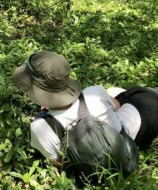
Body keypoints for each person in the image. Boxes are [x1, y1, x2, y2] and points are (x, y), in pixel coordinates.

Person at [12, 51, 155, 164]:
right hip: (134, 140)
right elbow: (117, 106)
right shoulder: (94, 93)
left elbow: (58, 163)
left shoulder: (39, 128)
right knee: (118, 92)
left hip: (92, 170)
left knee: (115, 92)